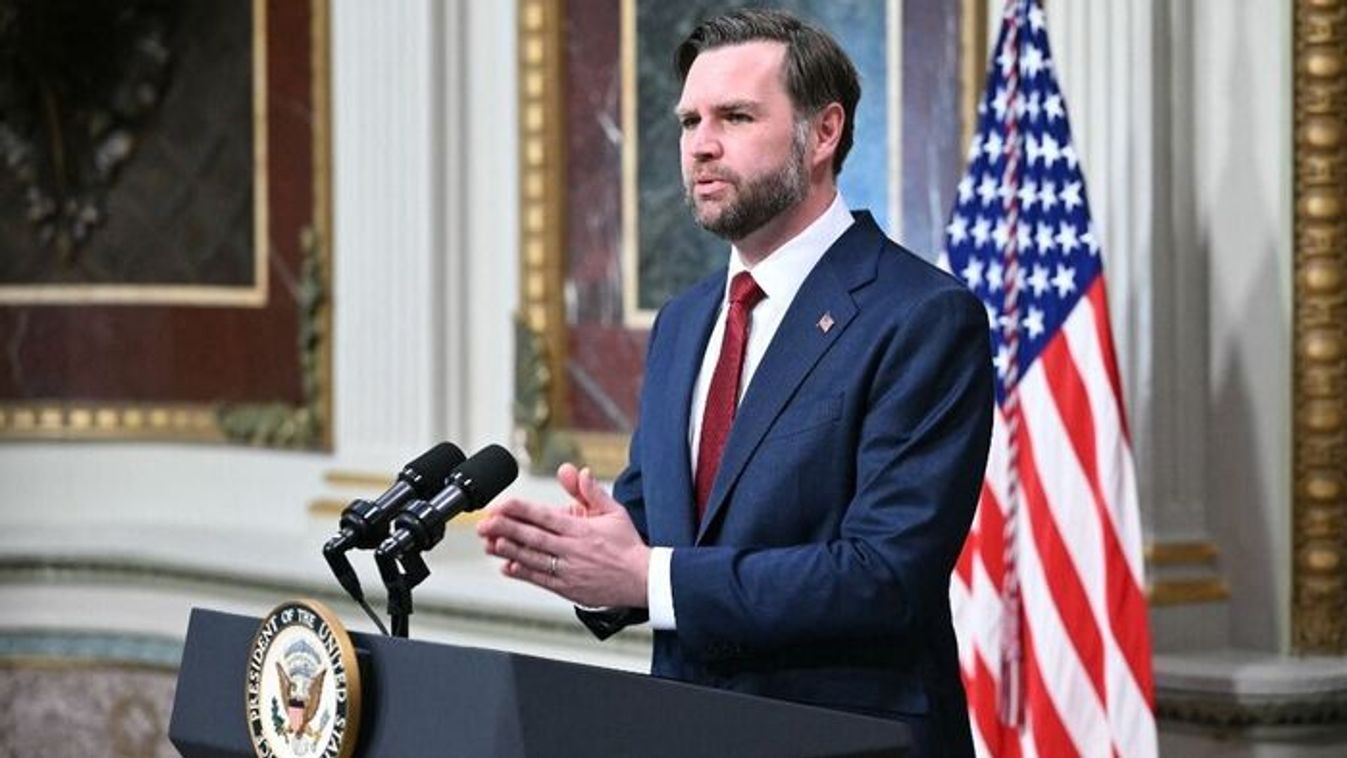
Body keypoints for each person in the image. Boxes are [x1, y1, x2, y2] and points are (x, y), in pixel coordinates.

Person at [478, 9, 992, 755]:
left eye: (735, 116)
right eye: (689, 121)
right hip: (684, 732)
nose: (701, 146)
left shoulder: (920, 316)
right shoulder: (684, 323)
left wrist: (648, 577)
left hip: (846, 741)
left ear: (822, 134)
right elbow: (664, 530)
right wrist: (593, 555)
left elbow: (884, 577)